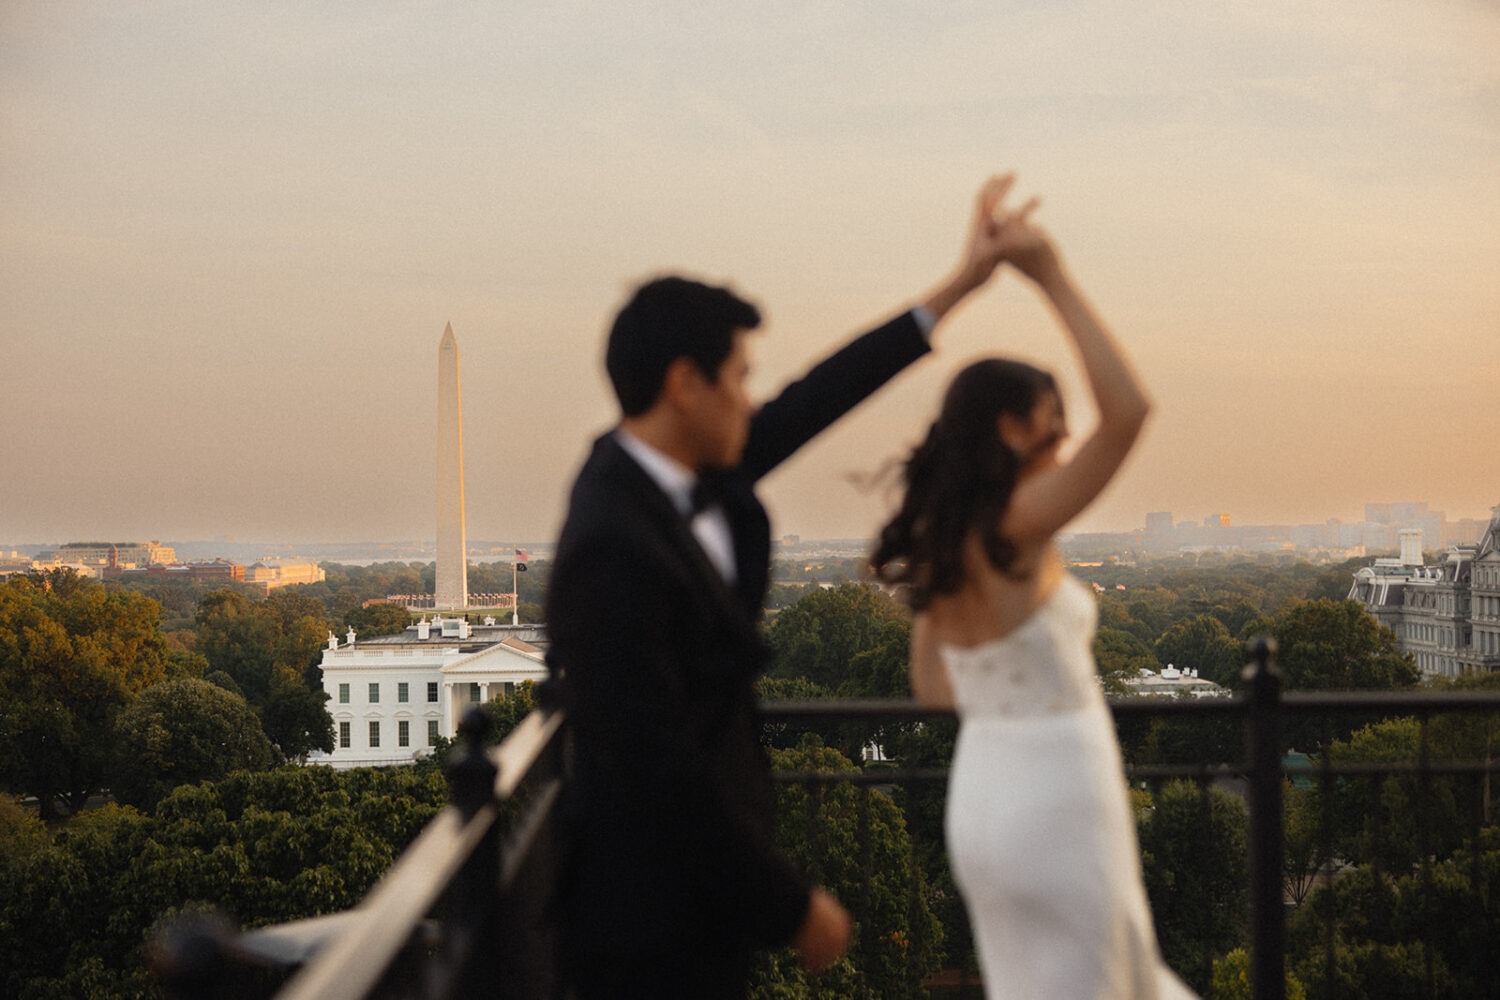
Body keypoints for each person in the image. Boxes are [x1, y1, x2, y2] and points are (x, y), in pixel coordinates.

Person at [544, 176, 1024, 998]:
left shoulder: (697, 471)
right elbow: (655, 763)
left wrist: (959, 287)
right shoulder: (608, 544)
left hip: (699, 903)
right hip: (643, 925)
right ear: (683, 385)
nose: (752, 397)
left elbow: (817, 396)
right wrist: (790, 905)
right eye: (738, 376)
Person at [872, 189, 1198, 998]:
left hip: (985, 796)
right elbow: (1130, 413)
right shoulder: (1013, 526)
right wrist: (1051, 275)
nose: (1067, 438)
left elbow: (931, 686)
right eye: (1055, 420)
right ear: (1014, 429)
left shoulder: (945, 541)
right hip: (1056, 795)